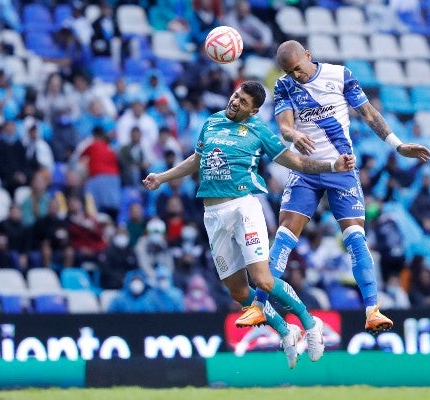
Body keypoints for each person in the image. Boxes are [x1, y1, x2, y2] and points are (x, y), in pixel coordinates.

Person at [143, 81, 355, 368]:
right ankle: (285, 330)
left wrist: (331, 166)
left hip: (244, 206)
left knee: (262, 279)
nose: (235, 102)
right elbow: (197, 159)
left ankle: (309, 322)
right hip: (213, 214)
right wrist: (162, 177)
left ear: (254, 110)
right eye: (235, 96)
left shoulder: (259, 130)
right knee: (239, 293)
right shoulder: (212, 122)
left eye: (243, 102)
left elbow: (296, 162)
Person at [241, 40, 430, 335]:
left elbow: (369, 114)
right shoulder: (284, 85)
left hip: (341, 167)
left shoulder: (340, 75)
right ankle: (258, 305)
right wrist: (293, 135)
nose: (297, 76)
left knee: (356, 236)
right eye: (290, 72)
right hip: (306, 170)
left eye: (298, 69)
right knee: (284, 235)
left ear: (308, 55)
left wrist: (398, 145)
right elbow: (284, 125)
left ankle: (372, 310)